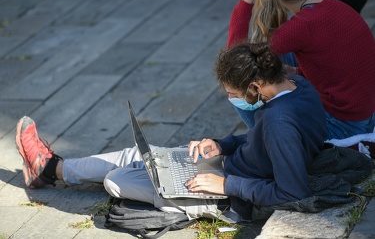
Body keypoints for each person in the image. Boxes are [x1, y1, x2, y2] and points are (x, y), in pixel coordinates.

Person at [17, 42, 342, 223]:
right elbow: (266, 143)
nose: (232, 98)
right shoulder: (299, 85)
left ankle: (52, 170)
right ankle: (49, 168)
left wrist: (226, 184)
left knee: (117, 180)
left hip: (230, 197)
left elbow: (293, 193)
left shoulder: (278, 122)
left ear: (255, 86)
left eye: (233, 93)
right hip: (231, 169)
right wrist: (222, 143)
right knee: (144, 157)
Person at [227, 0, 375, 140]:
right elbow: (338, 66)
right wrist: (297, 72)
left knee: (239, 89)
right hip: (365, 114)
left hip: (343, 128)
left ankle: (266, 141)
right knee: (279, 57)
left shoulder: (302, 26)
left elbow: (234, 64)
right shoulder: (336, 6)